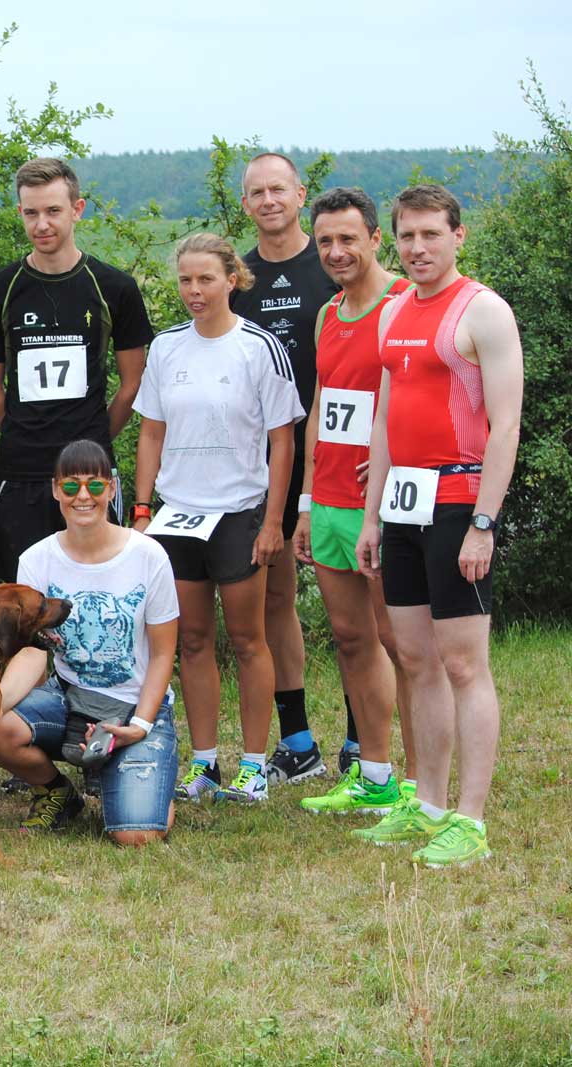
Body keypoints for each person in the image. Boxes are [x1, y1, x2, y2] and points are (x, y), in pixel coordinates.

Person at [353, 184, 523, 868]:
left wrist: (485, 520)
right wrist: (372, 514)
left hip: (459, 501)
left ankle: (470, 820)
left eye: (430, 234)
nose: (417, 248)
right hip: (404, 508)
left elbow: (507, 423)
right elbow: (386, 419)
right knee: (416, 658)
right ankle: (426, 805)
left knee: (461, 662)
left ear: (459, 235)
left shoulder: (483, 310)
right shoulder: (393, 310)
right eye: (406, 236)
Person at [133, 233, 303, 805]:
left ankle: (254, 764)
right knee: (193, 640)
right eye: (185, 280)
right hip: (178, 514)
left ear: (233, 278)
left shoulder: (259, 346)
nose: (194, 291)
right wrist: (140, 510)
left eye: (206, 279)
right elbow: (151, 431)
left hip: (239, 512)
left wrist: (273, 518)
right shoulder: (166, 348)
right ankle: (204, 763)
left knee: (250, 639)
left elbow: (283, 441)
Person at [293, 187, 416, 816]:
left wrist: (398, 451)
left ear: (375, 237)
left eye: (348, 238)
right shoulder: (327, 312)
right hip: (334, 498)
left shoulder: (406, 301)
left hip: (388, 503)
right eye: (325, 242)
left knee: (402, 641)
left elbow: (428, 393)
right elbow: (322, 407)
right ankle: (376, 773)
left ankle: (422, 786)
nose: (337, 252)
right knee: (350, 638)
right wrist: (309, 501)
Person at [0, 440, 181, 843]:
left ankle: (133, 771)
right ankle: (58, 793)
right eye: (71, 486)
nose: (83, 497)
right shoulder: (36, 559)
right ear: (56, 489)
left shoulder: (149, 556)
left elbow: (164, 652)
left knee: (137, 836)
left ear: (112, 489)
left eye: (94, 486)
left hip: (133, 706)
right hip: (67, 698)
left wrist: (142, 725)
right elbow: (31, 652)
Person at [0, 158, 153, 580]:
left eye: (53, 211)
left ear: (77, 209)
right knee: (21, 598)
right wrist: (22, 432)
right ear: (20, 213)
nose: (42, 224)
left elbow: (132, 385)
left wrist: (94, 437)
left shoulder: (114, 288)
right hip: (21, 471)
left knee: (102, 583)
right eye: (31, 213)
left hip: (91, 468)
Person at [229, 153, 341, 784]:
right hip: (263, 459)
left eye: (279, 189)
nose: (269, 200)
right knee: (276, 603)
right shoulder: (237, 276)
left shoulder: (329, 264)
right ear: (245, 203)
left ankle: (361, 742)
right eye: (256, 192)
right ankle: (297, 741)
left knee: (352, 605)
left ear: (301, 193)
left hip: (331, 454)